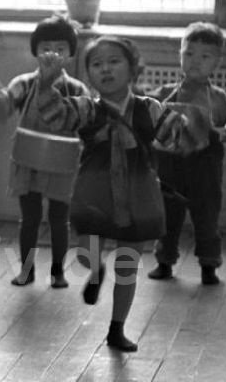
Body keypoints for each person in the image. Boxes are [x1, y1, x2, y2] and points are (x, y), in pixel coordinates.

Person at [35, 35, 193, 352]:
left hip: (139, 194)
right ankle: (95, 271)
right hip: (95, 191)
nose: (105, 69)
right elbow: (54, 116)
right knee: (85, 250)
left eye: (114, 61)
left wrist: (187, 123)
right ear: (88, 75)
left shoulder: (150, 108)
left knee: (127, 266)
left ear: (133, 69)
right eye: (96, 64)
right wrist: (46, 84)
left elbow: (178, 136)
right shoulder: (86, 108)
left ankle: (117, 330)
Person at [0, 13, 91, 288]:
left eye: (60, 49)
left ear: (71, 54)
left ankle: (58, 272)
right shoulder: (23, 83)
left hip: (62, 162)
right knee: (29, 217)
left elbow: (87, 121)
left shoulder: (76, 88)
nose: (52, 54)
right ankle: (26, 270)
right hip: (28, 160)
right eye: (45, 48)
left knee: (58, 218)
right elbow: (4, 108)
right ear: (35, 52)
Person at [146, 21, 226, 285]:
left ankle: (209, 266)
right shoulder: (166, 92)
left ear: (216, 63)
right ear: (180, 56)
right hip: (169, 166)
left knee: (206, 217)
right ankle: (164, 261)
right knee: (168, 216)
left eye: (204, 57)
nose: (195, 62)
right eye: (189, 54)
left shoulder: (219, 97)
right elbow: (147, 112)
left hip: (205, 169)